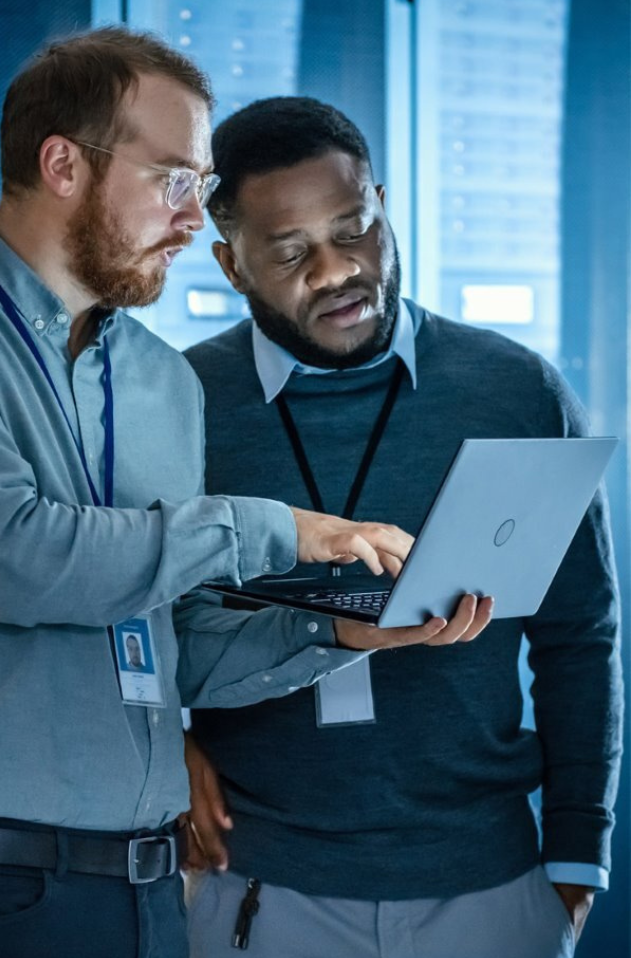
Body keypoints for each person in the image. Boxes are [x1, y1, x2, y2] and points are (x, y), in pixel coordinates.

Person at [0, 35, 492, 958]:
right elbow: (13, 560)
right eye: (175, 180)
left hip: (147, 894)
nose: (193, 218)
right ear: (63, 164)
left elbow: (171, 645)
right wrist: (278, 530)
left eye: (201, 183)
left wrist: (339, 633)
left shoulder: (161, 381)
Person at [182, 97, 623, 958]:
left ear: (382, 204)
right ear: (231, 265)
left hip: (492, 890)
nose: (337, 270)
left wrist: (577, 861)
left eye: (355, 229)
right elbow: (132, 623)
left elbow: (581, 637)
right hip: (260, 890)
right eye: (291, 252)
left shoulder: (515, 390)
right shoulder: (181, 405)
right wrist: (169, 747)